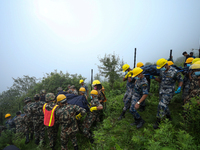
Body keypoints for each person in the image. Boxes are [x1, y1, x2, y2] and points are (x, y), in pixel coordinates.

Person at [152, 58, 183, 129]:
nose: (161, 68)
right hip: (161, 91)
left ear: (166, 65)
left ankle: (158, 121)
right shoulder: (162, 71)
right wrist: (154, 78)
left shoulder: (175, 72)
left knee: (161, 105)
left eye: (162, 67)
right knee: (164, 105)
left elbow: (180, 80)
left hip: (169, 92)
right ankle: (169, 116)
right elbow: (160, 80)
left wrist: (179, 87)